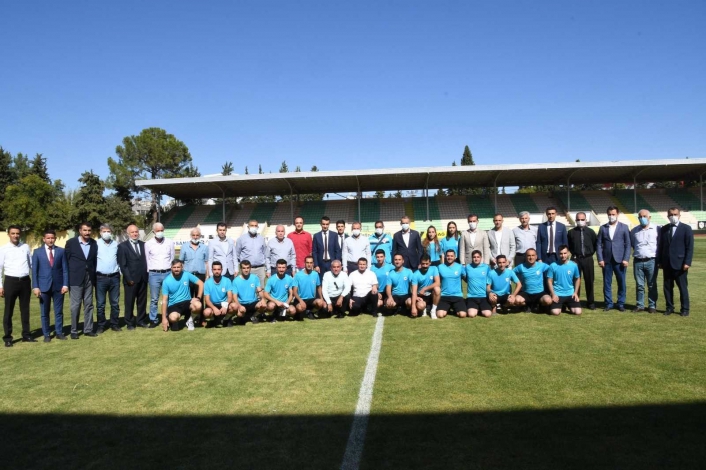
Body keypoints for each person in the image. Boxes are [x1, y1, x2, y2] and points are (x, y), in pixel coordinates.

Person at [32, 229, 69, 342]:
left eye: (52, 238)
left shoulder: (61, 251)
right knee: (45, 312)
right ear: (44, 239)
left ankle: (59, 332)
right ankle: (47, 334)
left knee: (58, 311)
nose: (50, 240)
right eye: (48, 238)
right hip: (43, 286)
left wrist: (65, 284)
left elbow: (65, 270)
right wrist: (36, 286)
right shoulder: (37, 252)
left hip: (58, 286)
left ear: (55, 238)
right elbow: (35, 272)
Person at [1, 225, 34, 346]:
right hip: (10, 281)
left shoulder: (25, 247)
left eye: (17, 233)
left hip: (25, 281)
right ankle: (8, 338)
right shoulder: (3, 249)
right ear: (9, 234)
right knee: (8, 310)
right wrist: (0, 286)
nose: (15, 235)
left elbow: (31, 265)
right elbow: (0, 269)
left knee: (25, 310)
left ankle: (26, 335)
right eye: (13, 233)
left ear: (20, 234)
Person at [65, 222, 98, 339]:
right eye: (85, 230)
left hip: (89, 278)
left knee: (89, 304)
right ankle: (74, 330)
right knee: (75, 305)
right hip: (75, 278)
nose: (87, 232)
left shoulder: (94, 243)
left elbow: (94, 261)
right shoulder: (71, 243)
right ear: (80, 231)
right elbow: (66, 261)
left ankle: (88, 329)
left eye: (89, 230)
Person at [657, 207, 693, 316]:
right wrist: (659, 261)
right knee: (667, 288)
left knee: (682, 288)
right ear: (668, 216)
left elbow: (689, 247)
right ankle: (669, 307)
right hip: (667, 264)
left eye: (675, 214)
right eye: (671, 214)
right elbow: (660, 246)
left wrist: (687, 262)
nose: (673, 216)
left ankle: (685, 309)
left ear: (679, 215)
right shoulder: (664, 229)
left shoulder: (686, 228)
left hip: (680, 264)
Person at [596, 206, 631, 312]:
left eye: (613, 214)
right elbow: (598, 245)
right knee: (607, 283)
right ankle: (608, 303)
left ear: (617, 214)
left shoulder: (624, 227)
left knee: (621, 283)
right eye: (609, 214)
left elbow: (628, 245)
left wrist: (626, 259)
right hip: (606, 260)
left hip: (620, 260)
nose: (611, 216)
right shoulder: (603, 228)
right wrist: (600, 259)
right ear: (607, 215)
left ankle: (620, 303)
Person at [117, 224, 149, 330]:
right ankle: (130, 322)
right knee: (129, 302)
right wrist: (128, 278)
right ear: (128, 234)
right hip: (130, 280)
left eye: (136, 232)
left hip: (143, 278)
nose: (135, 234)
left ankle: (140, 320)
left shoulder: (143, 244)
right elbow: (123, 264)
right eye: (132, 232)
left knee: (142, 302)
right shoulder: (122, 246)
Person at [145, 222, 175, 327]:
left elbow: (172, 258)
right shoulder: (148, 244)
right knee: (154, 299)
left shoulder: (170, 242)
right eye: (158, 231)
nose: (160, 232)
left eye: (162, 230)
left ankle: (168, 317)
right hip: (154, 274)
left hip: (167, 273)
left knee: (169, 297)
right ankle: (153, 319)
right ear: (153, 232)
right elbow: (147, 259)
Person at [160, 259, 204, 332]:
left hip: (187, 302)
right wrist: (163, 318)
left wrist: (198, 297)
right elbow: (164, 301)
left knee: (198, 305)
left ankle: (190, 320)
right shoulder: (166, 281)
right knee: (174, 319)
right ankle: (171, 320)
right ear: (171, 268)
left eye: (178, 267)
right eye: (174, 267)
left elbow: (201, 283)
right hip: (174, 305)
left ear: (182, 267)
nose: (176, 269)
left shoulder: (186, 274)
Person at [630, 210, 659, 313]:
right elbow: (633, 244)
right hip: (638, 261)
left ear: (649, 217)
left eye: (644, 216)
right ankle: (640, 305)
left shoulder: (657, 229)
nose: (642, 218)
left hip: (652, 261)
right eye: (640, 217)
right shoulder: (634, 231)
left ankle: (652, 306)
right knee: (639, 285)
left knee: (652, 284)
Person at [567, 212, 597, 310]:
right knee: (575, 280)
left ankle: (590, 302)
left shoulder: (591, 232)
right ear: (575, 220)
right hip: (575, 259)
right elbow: (569, 245)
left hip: (588, 259)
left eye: (582, 219)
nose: (580, 221)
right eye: (578, 219)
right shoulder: (571, 232)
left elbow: (595, 244)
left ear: (586, 220)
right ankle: (576, 300)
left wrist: (589, 254)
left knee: (589, 280)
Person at [95, 224, 121, 333]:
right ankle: (101, 325)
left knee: (115, 303)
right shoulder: (96, 244)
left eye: (108, 231)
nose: (106, 233)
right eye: (104, 231)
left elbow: (119, 259)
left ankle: (114, 324)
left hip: (114, 277)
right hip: (100, 277)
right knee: (100, 304)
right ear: (100, 232)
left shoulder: (116, 244)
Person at [546, 245, 582, 316]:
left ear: (568, 253)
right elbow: (549, 281)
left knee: (578, 312)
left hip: (570, 294)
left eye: (565, 253)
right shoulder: (553, 266)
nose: (563, 255)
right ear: (558, 254)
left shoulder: (574, 265)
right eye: (561, 253)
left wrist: (575, 293)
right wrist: (553, 294)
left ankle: (565, 305)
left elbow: (577, 279)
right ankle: (561, 306)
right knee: (555, 312)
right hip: (558, 294)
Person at [513, 248, 552, 312]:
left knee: (548, 301)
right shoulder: (521, 267)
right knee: (516, 300)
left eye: (533, 255)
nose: (531, 257)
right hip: (526, 293)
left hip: (539, 292)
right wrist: (517, 281)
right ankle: (527, 305)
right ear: (525, 257)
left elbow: (552, 269)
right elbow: (511, 273)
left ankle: (539, 305)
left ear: (536, 256)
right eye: (529, 255)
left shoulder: (541, 265)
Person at [202, 261, 237, 327]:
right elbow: (207, 300)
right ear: (212, 270)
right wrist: (214, 308)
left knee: (234, 306)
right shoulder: (207, 283)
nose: (217, 271)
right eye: (214, 269)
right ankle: (213, 320)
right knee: (206, 312)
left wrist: (225, 306)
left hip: (223, 303)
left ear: (222, 270)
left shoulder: (227, 280)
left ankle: (226, 319)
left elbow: (230, 297)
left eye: (218, 269)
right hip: (213, 304)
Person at [232, 260, 267, 324]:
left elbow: (259, 290)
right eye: (244, 268)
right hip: (242, 303)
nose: (246, 270)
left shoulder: (255, 278)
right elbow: (234, 296)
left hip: (253, 302)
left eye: (248, 268)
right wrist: (239, 306)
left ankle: (254, 316)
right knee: (240, 314)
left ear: (250, 268)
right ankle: (245, 316)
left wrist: (263, 299)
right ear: (241, 269)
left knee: (264, 305)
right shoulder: (236, 281)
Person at [235, 219, 267, 288]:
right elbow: (236, 255)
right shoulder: (241, 239)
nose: (254, 227)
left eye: (256, 226)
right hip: (248, 269)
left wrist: (266, 268)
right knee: (248, 288)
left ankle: (260, 299)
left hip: (260, 268)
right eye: (252, 225)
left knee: (261, 288)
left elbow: (265, 253)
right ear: (248, 227)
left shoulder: (261, 239)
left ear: (258, 227)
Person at [436, 249, 467, 318]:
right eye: (448, 256)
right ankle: (448, 308)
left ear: (455, 257)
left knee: (462, 315)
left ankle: (455, 306)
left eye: (451, 256)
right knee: (440, 315)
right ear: (445, 257)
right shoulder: (440, 267)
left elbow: (467, 279)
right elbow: (436, 281)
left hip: (457, 296)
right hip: (444, 295)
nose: (449, 257)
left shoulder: (460, 267)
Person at [180, 227, 209, 300]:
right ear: (191, 236)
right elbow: (181, 262)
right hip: (188, 275)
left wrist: (207, 275)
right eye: (193, 235)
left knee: (200, 298)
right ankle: (187, 312)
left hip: (200, 276)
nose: (195, 237)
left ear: (200, 236)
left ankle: (201, 311)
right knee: (187, 297)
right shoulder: (184, 247)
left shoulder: (204, 247)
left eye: (197, 235)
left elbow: (206, 262)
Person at [292, 255, 325, 320]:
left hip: (311, 299)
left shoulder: (315, 274)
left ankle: (311, 312)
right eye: (307, 262)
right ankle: (298, 313)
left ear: (313, 264)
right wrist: (300, 300)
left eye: (310, 263)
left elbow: (318, 287)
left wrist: (321, 298)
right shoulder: (298, 275)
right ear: (304, 263)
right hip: (300, 299)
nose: (309, 264)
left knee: (320, 303)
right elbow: (294, 291)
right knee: (299, 308)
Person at [410, 254, 440, 319]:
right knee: (421, 306)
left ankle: (433, 310)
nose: (425, 266)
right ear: (420, 263)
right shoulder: (415, 274)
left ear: (430, 263)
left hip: (431, 295)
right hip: (421, 296)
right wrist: (413, 308)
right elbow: (414, 292)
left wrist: (425, 289)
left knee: (437, 289)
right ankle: (424, 308)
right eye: (423, 264)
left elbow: (438, 283)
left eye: (427, 264)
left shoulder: (434, 269)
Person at [464, 250, 492, 318]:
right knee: (471, 315)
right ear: (472, 258)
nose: (476, 259)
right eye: (474, 257)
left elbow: (489, 282)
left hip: (483, 296)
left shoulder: (486, 267)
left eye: (478, 257)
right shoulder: (467, 267)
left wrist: (489, 292)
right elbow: (464, 277)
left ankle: (479, 308)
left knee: (487, 314)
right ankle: (474, 308)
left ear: (481, 257)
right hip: (472, 296)